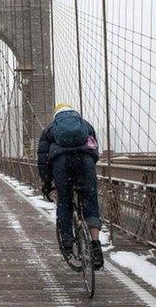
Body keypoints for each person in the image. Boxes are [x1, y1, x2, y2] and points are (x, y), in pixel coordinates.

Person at [37, 103, 104, 270]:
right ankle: (96, 246)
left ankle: (67, 244)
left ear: (56, 115)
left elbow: (42, 159)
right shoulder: (85, 124)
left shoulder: (50, 129)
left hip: (62, 165)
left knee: (65, 202)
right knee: (90, 202)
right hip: (85, 163)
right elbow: (94, 148)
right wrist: (89, 166)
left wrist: (46, 182)